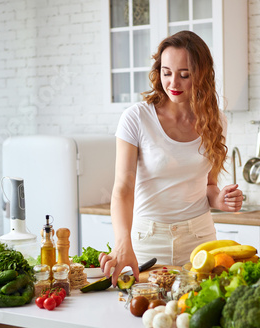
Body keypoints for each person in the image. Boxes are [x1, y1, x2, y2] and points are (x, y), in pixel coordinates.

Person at [99, 31, 243, 286]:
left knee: (195, 317)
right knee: (146, 314)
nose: (173, 82)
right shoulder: (137, 118)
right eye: (166, 72)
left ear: (201, 75)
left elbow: (209, 186)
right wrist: (123, 243)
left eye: (184, 74)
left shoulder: (216, 120)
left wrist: (220, 199)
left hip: (200, 240)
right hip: (147, 242)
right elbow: (123, 187)